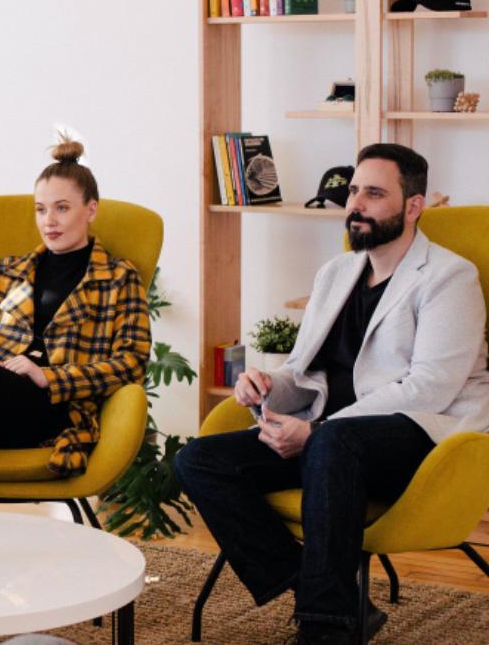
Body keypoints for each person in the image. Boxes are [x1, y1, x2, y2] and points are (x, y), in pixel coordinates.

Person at [175, 143, 489, 645]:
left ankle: (325, 631)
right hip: (329, 440)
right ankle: (326, 597)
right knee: (199, 460)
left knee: (332, 443)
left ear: (413, 206)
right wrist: (267, 385)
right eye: (354, 190)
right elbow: (305, 368)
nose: (355, 204)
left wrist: (317, 431)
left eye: (374, 193)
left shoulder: (450, 277)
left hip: (422, 441)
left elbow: (430, 387)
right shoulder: (336, 273)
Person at [0, 136, 151, 506]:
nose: (49, 221)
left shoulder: (118, 278)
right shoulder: (9, 271)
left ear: (91, 209)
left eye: (62, 208)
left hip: (57, 411)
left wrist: (49, 376)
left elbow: (132, 363)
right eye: (41, 209)